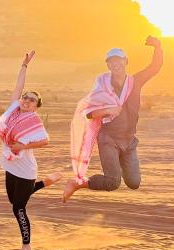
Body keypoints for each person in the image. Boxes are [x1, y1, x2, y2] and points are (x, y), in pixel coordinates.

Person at [63, 36, 163, 202]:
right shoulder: (102, 86)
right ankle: (77, 184)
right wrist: (107, 109)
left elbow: (155, 67)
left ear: (126, 61)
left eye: (119, 60)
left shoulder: (135, 82)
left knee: (134, 183)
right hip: (108, 139)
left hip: (129, 141)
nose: (116, 64)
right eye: (111, 62)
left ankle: (120, 160)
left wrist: (158, 47)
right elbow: (89, 114)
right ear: (108, 65)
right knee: (113, 182)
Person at [0, 51, 61, 250]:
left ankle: (26, 246)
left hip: (25, 168)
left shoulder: (34, 120)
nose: (27, 101)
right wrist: (24, 65)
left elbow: (46, 141)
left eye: (32, 100)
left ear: (36, 107)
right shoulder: (14, 108)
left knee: (18, 207)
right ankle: (43, 184)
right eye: (26, 98)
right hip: (9, 163)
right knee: (13, 200)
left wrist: (23, 147)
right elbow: (18, 86)